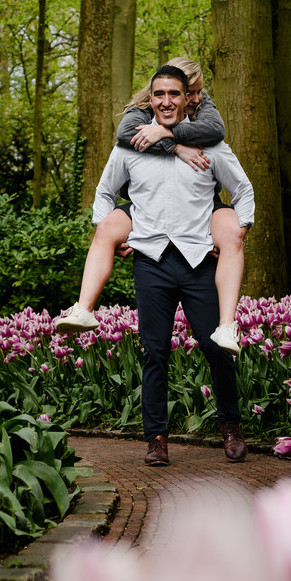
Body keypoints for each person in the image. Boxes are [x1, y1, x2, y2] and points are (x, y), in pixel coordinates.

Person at [91, 65, 255, 466]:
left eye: (174, 95)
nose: (166, 101)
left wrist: (239, 230)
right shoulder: (130, 145)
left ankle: (231, 427)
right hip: (151, 262)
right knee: (154, 352)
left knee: (218, 349)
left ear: (187, 99)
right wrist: (112, 231)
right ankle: (156, 439)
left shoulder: (211, 145)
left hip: (199, 260)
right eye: (159, 94)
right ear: (151, 98)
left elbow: (243, 188)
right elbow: (104, 192)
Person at [55, 58, 245, 357]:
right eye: (187, 92)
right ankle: (83, 308)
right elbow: (121, 150)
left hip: (198, 215)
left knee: (231, 231)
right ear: (154, 95)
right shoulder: (139, 115)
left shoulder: (205, 115)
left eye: (193, 92)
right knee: (106, 229)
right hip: (147, 210)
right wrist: (174, 144)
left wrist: (170, 134)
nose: (193, 99)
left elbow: (218, 136)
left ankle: (227, 325)